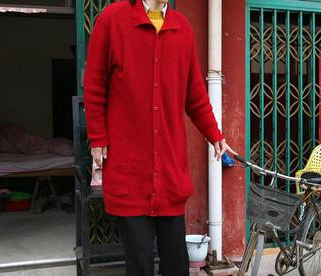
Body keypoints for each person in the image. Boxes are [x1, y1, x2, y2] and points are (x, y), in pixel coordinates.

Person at [83, 0, 236, 275]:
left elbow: (196, 96)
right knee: (139, 263)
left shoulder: (182, 28)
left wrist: (215, 135)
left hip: (168, 173)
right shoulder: (112, 20)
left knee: (176, 263)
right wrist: (97, 138)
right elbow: (94, 85)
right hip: (130, 169)